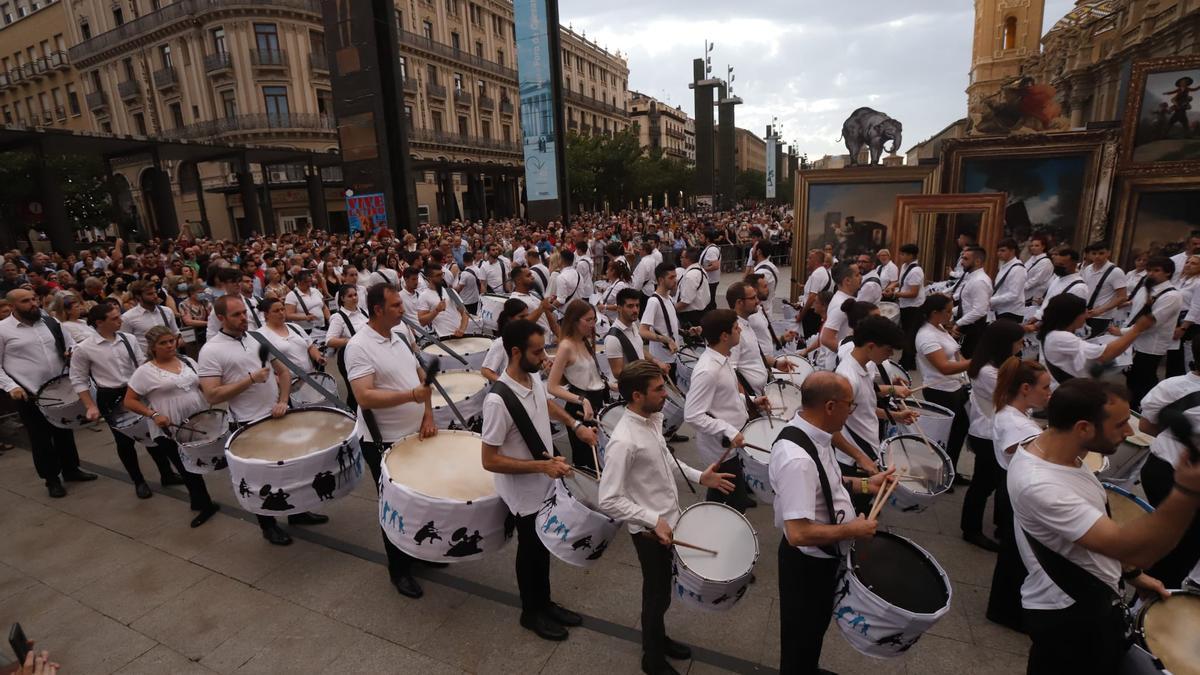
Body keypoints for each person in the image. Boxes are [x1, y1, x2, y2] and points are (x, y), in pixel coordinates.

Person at [1009, 379, 1200, 675]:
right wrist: (1187, 492)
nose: (1129, 432)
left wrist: (1133, 575)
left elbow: (1101, 544)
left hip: (1084, 602)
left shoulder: (1062, 453)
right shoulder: (1041, 485)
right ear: (1083, 428)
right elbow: (1138, 550)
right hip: (1069, 617)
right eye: (1121, 424)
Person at [598, 360, 734, 675]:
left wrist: (702, 477)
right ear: (636, 396)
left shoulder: (652, 419)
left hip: (668, 521)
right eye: (658, 389)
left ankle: (659, 637)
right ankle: (652, 658)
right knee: (655, 592)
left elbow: (666, 461)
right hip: (649, 532)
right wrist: (651, 519)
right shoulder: (623, 441)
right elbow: (608, 498)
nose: (666, 394)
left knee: (663, 590)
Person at [770, 372, 895, 674]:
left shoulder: (816, 435)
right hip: (807, 565)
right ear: (829, 406)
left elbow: (830, 483)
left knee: (813, 631)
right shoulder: (797, 459)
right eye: (849, 406)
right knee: (802, 634)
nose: (851, 412)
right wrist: (852, 530)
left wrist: (868, 485)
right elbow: (798, 533)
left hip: (821, 559)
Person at [481, 319, 595, 641]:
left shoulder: (532, 378)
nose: (544, 356)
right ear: (515, 352)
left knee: (542, 547)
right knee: (530, 550)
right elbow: (488, 460)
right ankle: (530, 612)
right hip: (523, 493)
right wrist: (540, 467)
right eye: (537, 350)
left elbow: (546, 404)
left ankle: (545, 602)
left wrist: (576, 427)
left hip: (543, 484)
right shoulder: (497, 401)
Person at [198, 295, 328, 545]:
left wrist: (283, 400)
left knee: (290, 468)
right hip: (248, 422)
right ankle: (267, 526)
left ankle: (297, 512)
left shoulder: (257, 338)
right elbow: (211, 394)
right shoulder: (211, 350)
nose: (243, 318)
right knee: (260, 478)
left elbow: (284, 371)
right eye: (236, 315)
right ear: (221, 318)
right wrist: (250, 380)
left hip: (277, 416)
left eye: (244, 313)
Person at [346, 282, 438, 599]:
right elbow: (364, 396)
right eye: (396, 305)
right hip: (382, 441)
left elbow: (421, 379)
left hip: (414, 435)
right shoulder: (358, 346)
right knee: (395, 506)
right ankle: (399, 570)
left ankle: (419, 553)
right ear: (378, 310)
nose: (402, 309)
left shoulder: (398, 337)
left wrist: (427, 413)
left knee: (421, 499)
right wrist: (411, 396)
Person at [71, 302, 182, 499]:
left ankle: (167, 474)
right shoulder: (84, 348)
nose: (120, 321)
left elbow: (142, 365)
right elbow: (78, 379)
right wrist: (90, 405)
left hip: (136, 390)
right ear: (99, 322)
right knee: (124, 442)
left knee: (154, 434)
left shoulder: (128, 338)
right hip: (110, 396)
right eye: (114, 318)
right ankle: (138, 481)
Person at [122, 325, 220, 527]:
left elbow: (203, 385)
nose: (169, 345)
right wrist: (153, 414)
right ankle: (204, 505)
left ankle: (198, 501)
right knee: (187, 468)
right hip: (169, 429)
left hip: (198, 423)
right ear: (153, 347)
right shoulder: (144, 372)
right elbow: (129, 401)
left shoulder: (187, 361)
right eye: (163, 343)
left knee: (199, 462)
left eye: (171, 341)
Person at [0, 289, 93, 497]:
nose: (33, 303)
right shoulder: (2, 330)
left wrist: (72, 352)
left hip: (60, 388)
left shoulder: (50, 322)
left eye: (34, 299)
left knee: (64, 431)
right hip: (29, 393)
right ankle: (51, 479)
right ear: (13, 306)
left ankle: (71, 469)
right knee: (40, 438)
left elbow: (73, 346)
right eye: (26, 301)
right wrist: (11, 387)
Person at [986, 358, 1052, 631]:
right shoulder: (1016, 424)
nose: (1049, 393)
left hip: (1012, 487)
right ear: (1025, 388)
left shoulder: (1016, 416)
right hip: (1017, 490)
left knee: (1014, 554)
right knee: (1016, 556)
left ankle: (1004, 609)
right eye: (1045, 387)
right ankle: (1007, 611)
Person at [683, 310, 767, 511]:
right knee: (733, 503)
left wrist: (752, 401)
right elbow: (693, 414)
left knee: (722, 496)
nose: (740, 330)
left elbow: (725, 397)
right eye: (736, 328)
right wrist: (728, 431)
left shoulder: (723, 358)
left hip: (731, 444)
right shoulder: (708, 370)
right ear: (724, 336)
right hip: (720, 449)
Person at [1135, 336, 1200, 588]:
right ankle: (1153, 608)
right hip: (1188, 481)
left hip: (1158, 468)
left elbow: (1146, 425)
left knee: (1166, 540)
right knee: (1181, 549)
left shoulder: (1170, 386)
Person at [833, 316, 911, 503]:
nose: (890, 355)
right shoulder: (847, 379)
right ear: (870, 346)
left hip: (866, 453)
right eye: (888, 350)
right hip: (853, 462)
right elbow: (831, 430)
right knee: (855, 516)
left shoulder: (867, 365)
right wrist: (860, 457)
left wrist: (896, 416)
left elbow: (864, 409)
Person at [962, 320, 1025, 552]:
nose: (1021, 346)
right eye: (1018, 342)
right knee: (983, 484)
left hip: (995, 431)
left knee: (1000, 480)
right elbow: (1012, 398)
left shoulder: (995, 365)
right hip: (987, 433)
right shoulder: (988, 372)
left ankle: (1001, 524)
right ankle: (971, 529)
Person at [546, 299, 612, 472]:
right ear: (574, 321)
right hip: (579, 408)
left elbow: (590, 376)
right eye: (588, 320)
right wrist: (581, 400)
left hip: (597, 403)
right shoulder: (566, 346)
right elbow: (552, 387)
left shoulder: (586, 341)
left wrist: (611, 386)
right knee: (587, 463)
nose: (592, 325)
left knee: (603, 457)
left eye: (594, 320)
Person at [1037, 294, 1151, 387]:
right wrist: (1137, 329)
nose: (1087, 315)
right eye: (1083, 312)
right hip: (1068, 394)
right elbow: (1105, 354)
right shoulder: (1060, 337)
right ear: (1072, 315)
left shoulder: (1053, 333)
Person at [916, 294, 972, 480]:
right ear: (935, 313)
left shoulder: (939, 328)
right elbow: (944, 367)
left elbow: (956, 354)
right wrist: (976, 362)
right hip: (940, 391)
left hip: (955, 387)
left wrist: (967, 370)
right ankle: (938, 473)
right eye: (947, 311)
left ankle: (950, 471)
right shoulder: (926, 335)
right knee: (944, 435)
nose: (951, 314)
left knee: (959, 431)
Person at [1122, 256, 1182, 409]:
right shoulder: (1146, 288)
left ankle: (1147, 408)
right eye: (1149, 270)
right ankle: (1133, 406)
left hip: (1151, 345)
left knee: (1144, 379)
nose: (1151, 273)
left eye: (1156, 271)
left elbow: (1151, 323)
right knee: (1132, 377)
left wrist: (1123, 332)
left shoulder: (1172, 296)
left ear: (1168, 273)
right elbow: (1135, 312)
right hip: (1135, 340)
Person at [727, 282, 793, 395]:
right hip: (752, 400)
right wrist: (749, 402)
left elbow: (755, 356)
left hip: (762, 393)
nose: (758, 301)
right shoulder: (734, 331)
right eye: (753, 298)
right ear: (739, 303)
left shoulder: (746, 324)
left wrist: (776, 363)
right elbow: (731, 373)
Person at [605, 288, 669, 380]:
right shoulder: (613, 338)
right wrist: (648, 370)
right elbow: (618, 373)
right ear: (619, 308)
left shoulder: (634, 325)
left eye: (637, 306)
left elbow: (638, 348)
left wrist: (657, 362)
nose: (635, 310)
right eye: (630, 306)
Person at [253, 297, 325, 377]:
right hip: (289, 383)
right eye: (276, 311)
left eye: (282, 309)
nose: (281, 313)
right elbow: (262, 364)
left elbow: (310, 346)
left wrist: (318, 357)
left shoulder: (294, 327)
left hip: (311, 378)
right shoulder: (261, 335)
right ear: (266, 314)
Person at [325, 284, 370, 410]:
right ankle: (354, 415)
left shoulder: (364, 312)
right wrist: (352, 341)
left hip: (367, 354)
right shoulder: (338, 318)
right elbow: (329, 340)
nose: (354, 298)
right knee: (355, 391)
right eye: (350, 296)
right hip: (349, 357)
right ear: (342, 299)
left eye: (355, 294)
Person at [640, 263, 684, 376]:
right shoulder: (654, 302)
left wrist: (687, 332)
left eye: (675, 276)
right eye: (671, 277)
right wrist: (667, 340)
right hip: (662, 361)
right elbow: (643, 331)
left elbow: (668, 326)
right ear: (661, 280)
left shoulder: (669, 298)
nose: (675, 280)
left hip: (673, 357)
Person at [950, 246, 991, 358]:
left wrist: (959, 323)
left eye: (966, 259)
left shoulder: (980, 281)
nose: (962, 262)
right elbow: (967, 303)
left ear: (977, 261)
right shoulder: (972, 277)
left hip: (973, 327)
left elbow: (979, 310)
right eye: (962, 258)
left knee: (967, 360)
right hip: (966, 324)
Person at [890, 244, 925, 371]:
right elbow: (902, 281)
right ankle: (907, 361)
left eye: (903, 254)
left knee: (911, 335)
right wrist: (892, 285)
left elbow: (913, 293)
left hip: (914, 307)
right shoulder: (905, 266)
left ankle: (907, 362)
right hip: (905, 305)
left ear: (911, 255)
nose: (900, 256)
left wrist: (895, 293)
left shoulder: (916, 270)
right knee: (906, 333)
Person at [1081, 242, 1127, 339]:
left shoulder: (1116, 272)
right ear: (1089, 254)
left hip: (1102, 317)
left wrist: (1100, 310)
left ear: (1108, 253)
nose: (1097, 256)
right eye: (1094, 253)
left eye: (1101, 253)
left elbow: (1122, 297)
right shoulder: (1088, 269)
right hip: (1085, 314)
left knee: (1094, 345)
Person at [120, 279, 180, 352]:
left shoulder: (167, 311)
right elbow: (126, 343)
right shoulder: (128, 317)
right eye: (150, 294)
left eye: (155, 292)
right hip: (146, 360)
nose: (155, 296)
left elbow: (176, 334)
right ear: (138, 297)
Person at [1032, 248, 1088, 323]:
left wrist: (1038, 325)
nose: (1058, 267)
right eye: (1056, 264)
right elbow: (1047, 303)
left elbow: (1069, 315)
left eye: (1061, 265)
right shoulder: (1057, 279)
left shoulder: (1079, 288)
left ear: (1074, 264)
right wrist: (1036, 317)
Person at [481, 299, 530, 382]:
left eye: (527, 316)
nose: (526, 320)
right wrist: (507, 384)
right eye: (521, 317)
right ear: (509, 319)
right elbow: (486, 371)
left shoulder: (529, 338)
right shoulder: (501, 343)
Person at [1167, 253, 1200, 377]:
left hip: (1189, 325)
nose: (1189, 265)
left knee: (1185, 359)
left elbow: (1196, 307)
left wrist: (1183, 328)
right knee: (1173, 357)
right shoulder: (1179, 281)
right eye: (1187, 262)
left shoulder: (1198, 283)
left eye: (1194, 263)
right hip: (1175, 320)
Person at [818, 263, 861, 353]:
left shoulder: (844, 299)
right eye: (857, 275)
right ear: (847, 281)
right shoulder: (841, 305)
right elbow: (826, 339)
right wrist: (850, 356)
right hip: (838, 363)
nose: (861, 277)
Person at [417, 262, 468, 338]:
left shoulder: (450, 291)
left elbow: (465, 313)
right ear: (429, 278)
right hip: (443, 339)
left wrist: (462, 329)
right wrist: (436, 310)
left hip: (461, 335)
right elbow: (422, 321)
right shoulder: (423, 296)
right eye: (438, 275)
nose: (442, 277)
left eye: (442, 274)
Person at [509, 266, 559, 340]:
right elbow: (520, 325)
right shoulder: (514, 299)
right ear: (518, 280)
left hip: (548, 342)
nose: (532, 277)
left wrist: (563, 338)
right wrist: (541, 307)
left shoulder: (534, 295)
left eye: (531, 275)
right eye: (528, 275)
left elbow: (553, 323)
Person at [798, 250, 833, 339]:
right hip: (815, 313)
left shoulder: (817, 274)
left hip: (812, 315)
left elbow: (812, 297)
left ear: (816, 260)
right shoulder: (822, 272)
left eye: (810, 258)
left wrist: (801, 315)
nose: (807, 260)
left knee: (809, 339)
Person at [991, 238, 1027, 324]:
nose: (999, 253)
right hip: (1001, 310)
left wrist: (991, 300)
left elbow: (1014, 294)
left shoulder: (1018, 268)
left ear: (1012, 251)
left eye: (1003, 250)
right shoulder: (1004, 266)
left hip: (1011, 312)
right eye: (998, 251)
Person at [283, 269, 328, 333]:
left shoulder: (315, 291)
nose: (309, 284)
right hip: (305, 330)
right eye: (306, 282)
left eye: (310, 281)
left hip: (322, 327)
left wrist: (329, 319)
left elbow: (324, 307)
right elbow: (289, 315)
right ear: (299, 282)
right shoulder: (291, 295)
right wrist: (305, 317)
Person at [674, 247, 709, 328]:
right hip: (700, 312)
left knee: (692, 339)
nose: (680, 259)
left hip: (691, 316)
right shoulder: (700, 270)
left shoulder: (691, 275)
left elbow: (685, 302)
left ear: (688, 259)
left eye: (682, 257)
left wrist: (670, 309)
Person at [750, 242, 780, 318]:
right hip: (766, 309)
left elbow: (755, 294)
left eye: (753, 249)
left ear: (759, 252)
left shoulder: (762, 272)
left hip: (761, 313)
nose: (752, 252)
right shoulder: (771, 266)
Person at [1023, 233, 1053, 306]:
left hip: (1033, 296)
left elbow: (1037, 280)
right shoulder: (1032, 258)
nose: (1033, 248)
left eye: (1037, 246)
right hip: (1023, 294)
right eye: (1032, 246)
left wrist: (1020, 287)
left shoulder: (1046, 262)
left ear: (1043, 247)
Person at [700, 229, 722, 311]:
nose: (700, 239)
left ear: (707, 239)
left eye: (702, 237)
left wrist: (701, 269)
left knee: (710, 302)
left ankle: (712, 318)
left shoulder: (711, 250)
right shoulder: (709, 248)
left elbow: (715, 266)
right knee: (710, 301)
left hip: (711, 281)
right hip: (711, 280)